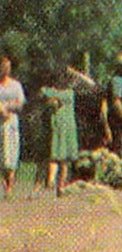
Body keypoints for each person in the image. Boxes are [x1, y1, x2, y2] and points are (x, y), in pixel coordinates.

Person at [43, 65, 96, 196]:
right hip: (57, 126)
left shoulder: (70, 90)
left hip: (68, 126)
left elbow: (91, 84)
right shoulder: (49, 91)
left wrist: (76, 73)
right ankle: (51, 182)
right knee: (55, 156)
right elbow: (47, 103)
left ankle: (60, 187)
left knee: (64, 159)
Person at [0, 54, 24, 198]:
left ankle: (10, 185)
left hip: (11, 121)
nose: (6, 70)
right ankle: (4, 181)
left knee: (11, 152)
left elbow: (20, 103)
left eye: (8, 67)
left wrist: (9, 107)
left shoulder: (15, 85)